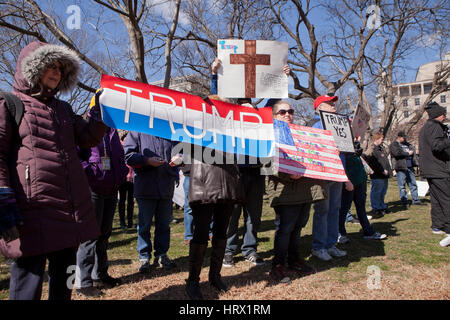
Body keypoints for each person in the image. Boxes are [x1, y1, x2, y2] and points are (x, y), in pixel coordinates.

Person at [0, 41, 107, 300]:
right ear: (32, 68)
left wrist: (103, 109)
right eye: (50, 65)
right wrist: (3, 200)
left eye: (61, 68)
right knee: (28, 285)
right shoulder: (10, 104)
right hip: (31, 210)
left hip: (69, 211)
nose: (56, 72)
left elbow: (88, 138)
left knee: (65, 281)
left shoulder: (64, 110)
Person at [211, 58, 290, 267]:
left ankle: (250, 250)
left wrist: (282, 78)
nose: (245, 99)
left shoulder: (259, 113)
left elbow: (273, 102)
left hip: (255, 171)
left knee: (253, 215)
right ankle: (229, 251)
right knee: (232, 214)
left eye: (248, 96)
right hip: (233, 170)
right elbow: (214, 102)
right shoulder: (227, 113)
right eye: (241, 96)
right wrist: (214, 74)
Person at [185, 95, 244, 300]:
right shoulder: (195, 126)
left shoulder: (231, 128)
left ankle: (215, 276)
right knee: (201, 233)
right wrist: (213, 76)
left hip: (227, 182)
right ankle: (193, 281)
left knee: (221, 232)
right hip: (204, 182)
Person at [266, 100, 322, 283]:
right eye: (282, 111)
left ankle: (294, 259)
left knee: (298, 227)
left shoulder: (302, 134)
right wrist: (289, 176)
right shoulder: (268, 134)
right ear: (274, 115)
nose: (287, 114)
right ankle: (278, 265)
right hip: (284, 190)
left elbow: (313, 156)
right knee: (285, 228)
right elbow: (266, 163)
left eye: (290, 111)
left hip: (305, 189)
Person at [75, 126, 128, 297]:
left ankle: (100, 275)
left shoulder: (112, 131)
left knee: (104, 234)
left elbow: (120, 157)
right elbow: (76, 157)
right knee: (89, 236)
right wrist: (91, 173)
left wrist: (121, 174)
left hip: (111, 189)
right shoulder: (86, 128)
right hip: (93, 188)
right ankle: (83, 282)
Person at [124, 133, 180, 273]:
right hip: (146, 187)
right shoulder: (137, 131)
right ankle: (144, 256)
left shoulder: (170, 132)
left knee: (164, 225)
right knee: (144, 226)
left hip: (166, 186)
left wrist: (178, 161)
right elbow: (128, 156)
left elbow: (180, 153)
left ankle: (162, 254)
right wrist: (147, 160)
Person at [310, 94, 347, 261]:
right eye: (329, 103)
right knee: (322, 210)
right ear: (319, 108)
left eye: (333, 103)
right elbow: (314, 150)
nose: (334, 106)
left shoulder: (341, 125)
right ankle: (319, 247)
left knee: (334, 210)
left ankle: (331, 244)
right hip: (324, 174)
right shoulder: (316, 125)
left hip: (338, 173)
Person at [338, 139, 387, 243]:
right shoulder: (341, 144)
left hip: (360, 179)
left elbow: (365, 154)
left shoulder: (356, 141)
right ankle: (340, 233)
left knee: (361, 209)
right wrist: (346, 181)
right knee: (344, 209)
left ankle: (368, 232)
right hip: (350, 181)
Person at [418, 102, 450, 247]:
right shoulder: (435, 127)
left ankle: (437, 225)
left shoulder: (426, 127)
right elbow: (437, 146)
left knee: (436, 198)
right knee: (446, 198)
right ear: (439, 115)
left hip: (430, 169)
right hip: (438, 169)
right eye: (444, 114)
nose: (445, 117)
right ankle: (447, 227)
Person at [389, 131, 424, 208]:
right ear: (399, 137)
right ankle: (404, 201)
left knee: (413, 184)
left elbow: (413, 151)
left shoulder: (407, 144)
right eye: (403, 137)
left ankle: (416, 200)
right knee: (402, 186)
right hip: (400, 167)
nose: (405, 139)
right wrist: (408, 153)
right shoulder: (394, 145)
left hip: (409, 166)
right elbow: (397, 153)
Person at [364, 132, 392, 216]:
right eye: (381, 139)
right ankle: (376, 208)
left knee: (383, 191)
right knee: (376, 191)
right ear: (376, 139)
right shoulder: (373, 149)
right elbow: (373, 163)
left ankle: (382, 206)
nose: (382, 141)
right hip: (377, 174)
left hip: (384, 174)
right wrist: (381, 170)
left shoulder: (381, 148)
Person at [118, 131, 135, 229]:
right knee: (122, 200)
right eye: (125, 137)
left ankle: (130, 221)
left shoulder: (132, 147)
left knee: (130, 201)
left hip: (132, 179)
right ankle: (122, 222)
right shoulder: (119, 148)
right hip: (123, 178)